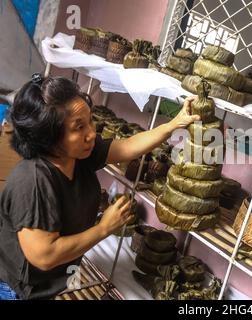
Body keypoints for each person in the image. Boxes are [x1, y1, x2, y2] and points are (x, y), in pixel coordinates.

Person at [0, 74, 199, 299]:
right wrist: (104, 228)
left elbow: (127, 147)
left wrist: (174, 124)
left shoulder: (79, 156)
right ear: (49, 135)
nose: (91, 133)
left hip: (48, 285)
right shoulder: (33, 182)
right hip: (15, 290)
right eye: (79, 127)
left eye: (90, 121)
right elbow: (45, 256)